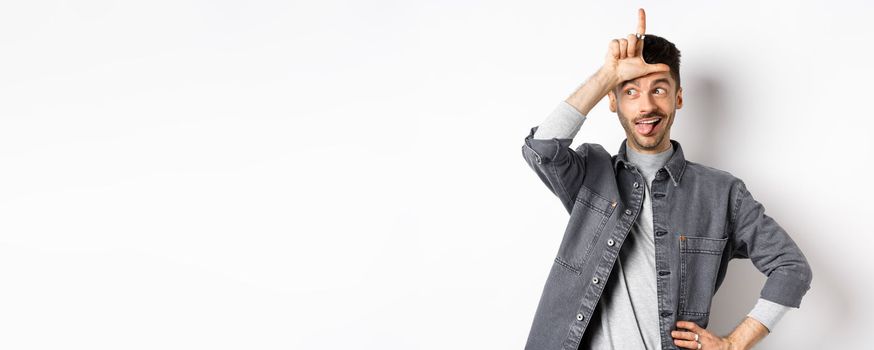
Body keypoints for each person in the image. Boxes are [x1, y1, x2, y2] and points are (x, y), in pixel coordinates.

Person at [519, 8, 812, 350]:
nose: (645, 106)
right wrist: (607, 76)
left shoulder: (722, 193)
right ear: (612, 102)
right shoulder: (590, 171)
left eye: (659, 90)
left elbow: (792, 269)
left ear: (679, 97)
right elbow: (541, 148)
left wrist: (735, 343)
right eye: (630, 92)